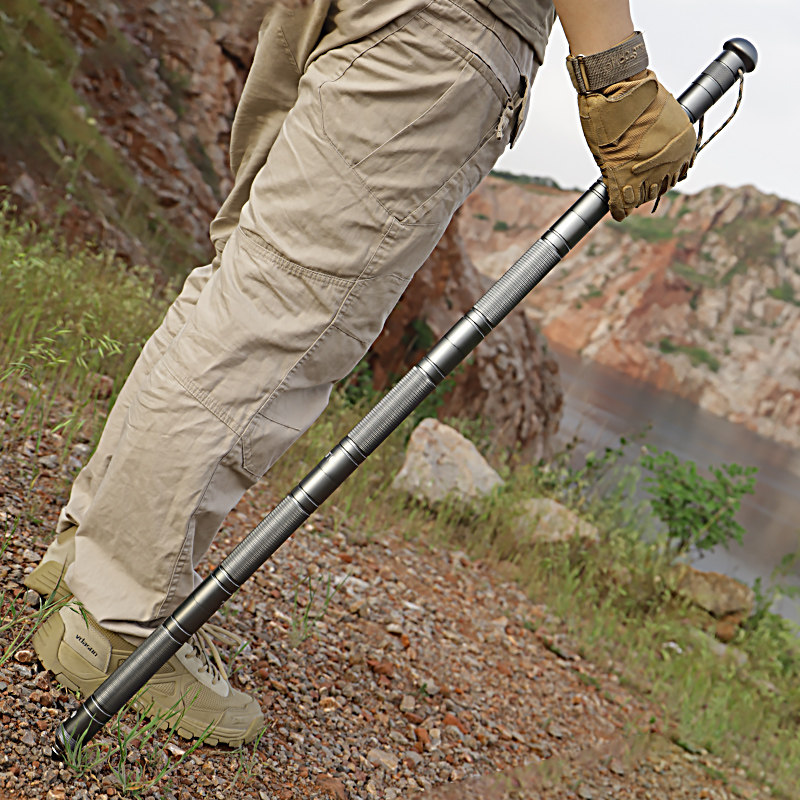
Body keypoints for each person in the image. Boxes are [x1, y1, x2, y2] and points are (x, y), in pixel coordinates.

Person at [25, 0, 696, 746]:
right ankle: (114, 620)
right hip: (442, 30)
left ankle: (87, 557)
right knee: (285, 314)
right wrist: (620, 82)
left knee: (244, 282)